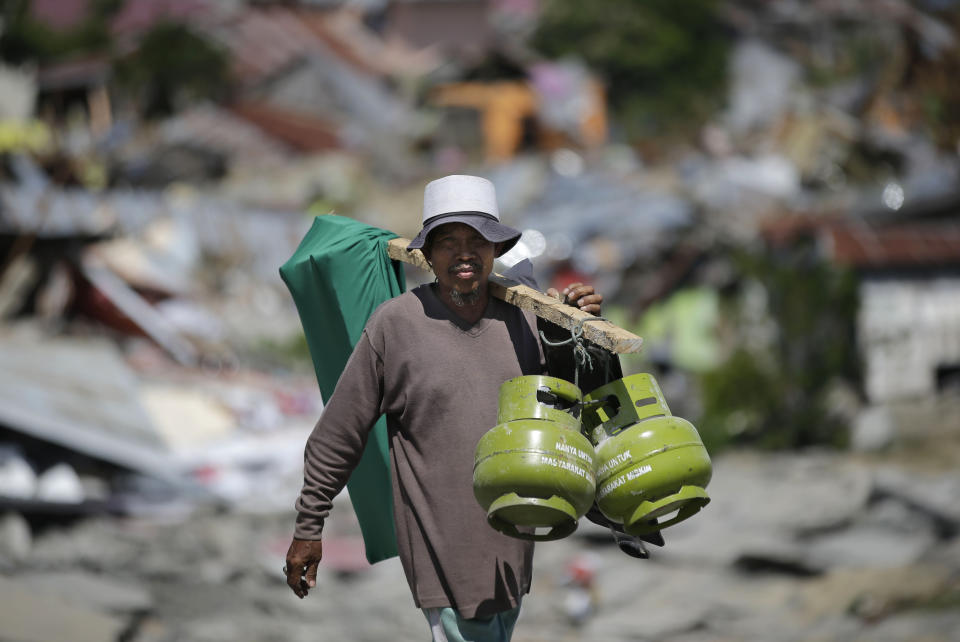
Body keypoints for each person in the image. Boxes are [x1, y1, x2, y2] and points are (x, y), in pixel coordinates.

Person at [283, 174, 657, 641]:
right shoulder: (396, 326)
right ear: (427, 254)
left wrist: (578, 329)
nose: (463, 253)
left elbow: (570, 408)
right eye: (448, 242)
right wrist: (309, 525)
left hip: (516, 540)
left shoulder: (527, 319)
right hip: (443, 546)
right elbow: (339, 433)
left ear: (494, 251)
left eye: (476, 240)